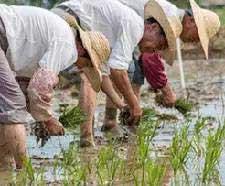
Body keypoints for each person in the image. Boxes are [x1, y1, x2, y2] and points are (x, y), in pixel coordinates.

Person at [53, 0, 180, 146]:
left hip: (67, 19)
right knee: (83, 78)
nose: (156, 50)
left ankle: (87, 141)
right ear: (153, 27)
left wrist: (122, 105)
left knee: (92, 72)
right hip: (68, 23)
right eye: (160, 44)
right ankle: (85, 139)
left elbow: (104, 75)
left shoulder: (117, 31)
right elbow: (117, 71)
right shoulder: (135, 25)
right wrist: (134, 105)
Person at [0, 5, 110, 169]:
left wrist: (42, 116)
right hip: (2, 33)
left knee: (10, 103)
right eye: (87, 64)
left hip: (4, 35)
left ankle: (5, 166)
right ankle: (23, 170)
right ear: (83, 50)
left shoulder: (59, 35)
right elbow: (39, 87)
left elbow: (26, 87)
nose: (81, 67)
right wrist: (49, 120)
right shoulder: (67, 46)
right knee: (13, 105)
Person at [128, 0, 220, 107]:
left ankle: (114, 119)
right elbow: (149, 57)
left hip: (126, 32)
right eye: (199, 36)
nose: (196, 41)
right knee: (130, 71)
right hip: (114, 21)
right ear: (191, 21)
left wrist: (158, 85)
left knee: (134, 74)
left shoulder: (174, 16)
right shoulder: (171, 18)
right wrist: (167, 92)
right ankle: (122, 116)